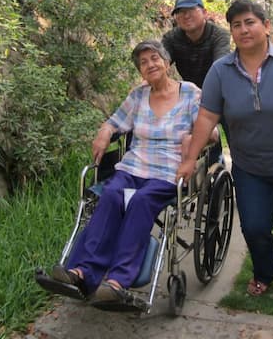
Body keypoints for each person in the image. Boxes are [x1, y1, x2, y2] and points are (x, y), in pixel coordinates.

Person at [176, 0, 273, 305]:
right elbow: (207, 116)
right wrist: (190, 158)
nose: (244, 30)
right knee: (255, 226)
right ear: (231, 32)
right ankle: (263, 273)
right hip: (249, 168)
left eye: (250, 22)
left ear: (266, 26)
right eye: (237, 25)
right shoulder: (221, 71)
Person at [52, 40, 214, 303]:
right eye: (143, 62)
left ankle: (118, 280)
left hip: (167, 171)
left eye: (154, 58)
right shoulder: (138, 96)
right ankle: (82, 271)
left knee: (140, 201)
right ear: (140, 71)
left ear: (167, 62)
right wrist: (104, 132)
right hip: (132, 166)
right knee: (112, 195)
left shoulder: (190, 94)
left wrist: (192, 143)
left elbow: (210, 131)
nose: (150, 64)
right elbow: (115, 122)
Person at [162, 0, 231, 151]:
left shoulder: (219, 36)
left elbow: (220, 67)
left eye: (191, 10)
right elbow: (160, 64)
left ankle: (240, 169)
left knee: (237, 138)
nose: (185, 16)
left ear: (204, 13)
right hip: (192, 97)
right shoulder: (172, 38)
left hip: (222, 92)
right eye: (180, 12)